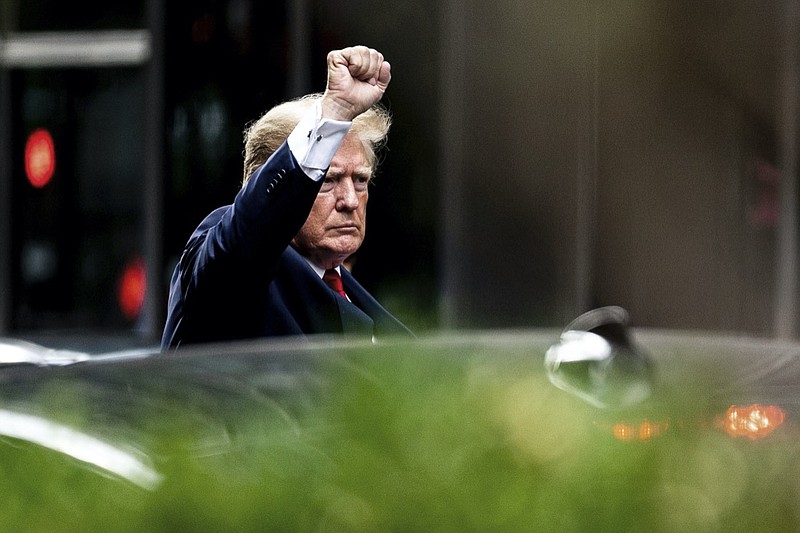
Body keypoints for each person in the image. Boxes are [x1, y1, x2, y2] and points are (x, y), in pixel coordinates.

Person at [161, 45, 413, 349]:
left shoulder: (350, 291)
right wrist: (334, 113)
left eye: (360, 180)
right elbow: (248, 235)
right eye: (327, 180)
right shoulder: (234, 263)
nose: (349, 200)